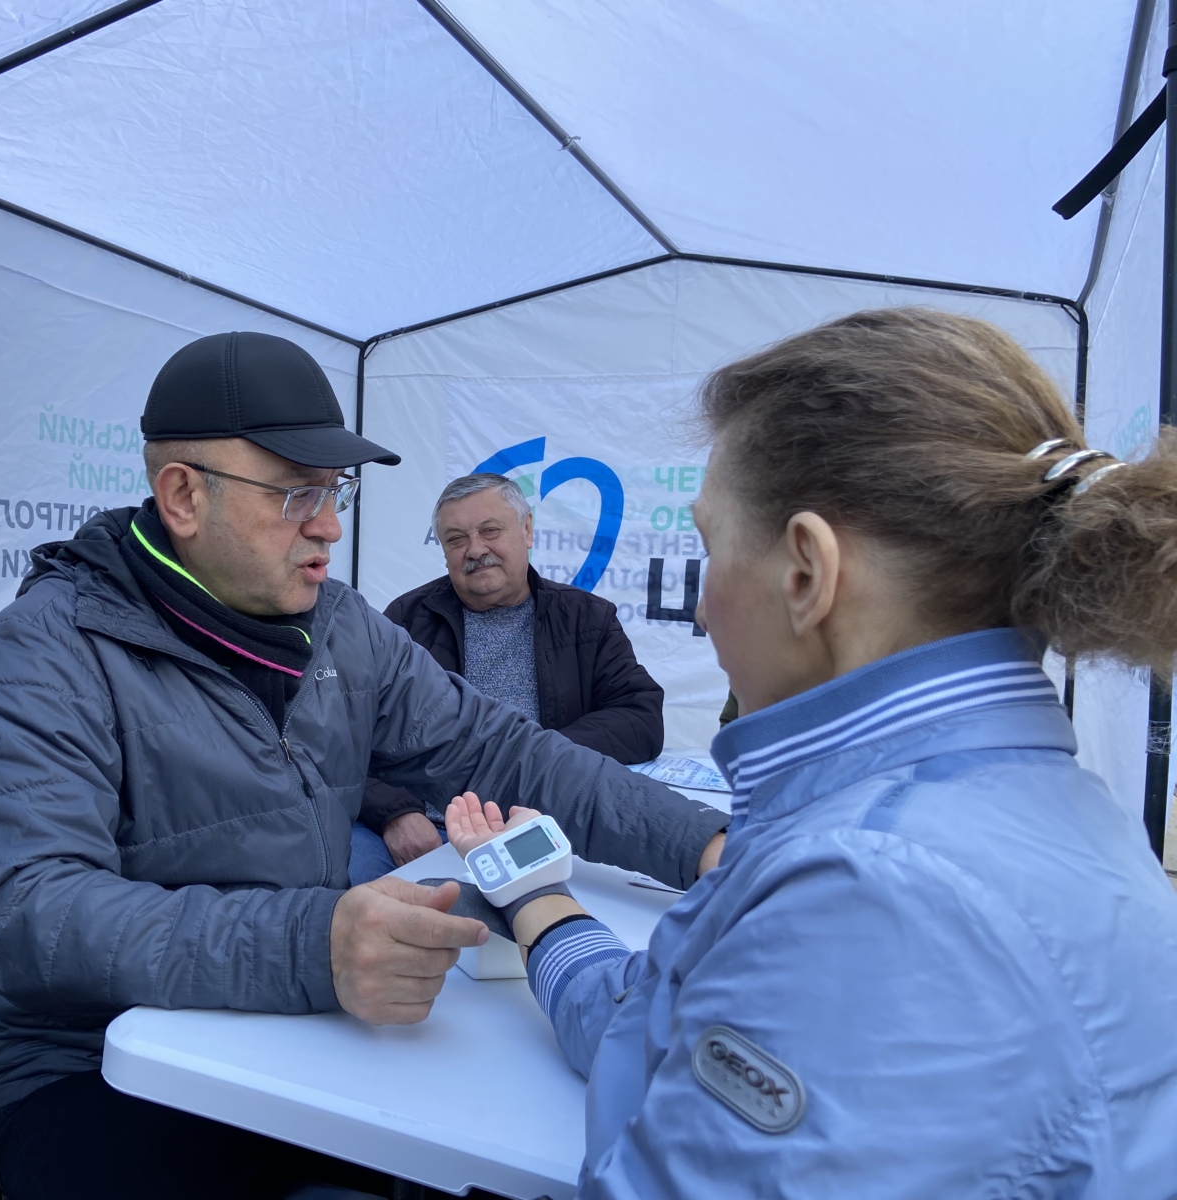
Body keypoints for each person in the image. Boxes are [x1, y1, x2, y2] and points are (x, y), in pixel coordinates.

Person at [0, 331, 730, 1200]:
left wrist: (708, 847)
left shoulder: (343, 627)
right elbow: (27, 916)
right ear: (183, 496)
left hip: (296, 1032)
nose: (328, 524)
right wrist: (315, 947)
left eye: (336, 490)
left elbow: (504, 751)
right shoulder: (49, 648)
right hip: (93, 1064)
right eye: (297, 493)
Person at [445, 308, 1177, 1197]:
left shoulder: (872, 889)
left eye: (710, 549)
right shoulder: (1049, 814)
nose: (703, 608)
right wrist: (538, 905)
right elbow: (665, 1014)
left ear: (807, 574)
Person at [352, 472, 666, 884]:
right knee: (348, 892)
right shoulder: (404, 621)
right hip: (425, 827)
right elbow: (348, 733)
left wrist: (537, 760)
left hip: (543, 822)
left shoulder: (586, 618)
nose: (475, 550)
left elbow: (640, 717)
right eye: (456, 539)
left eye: (490, 531)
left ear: (527, 530)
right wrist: (395, 814)